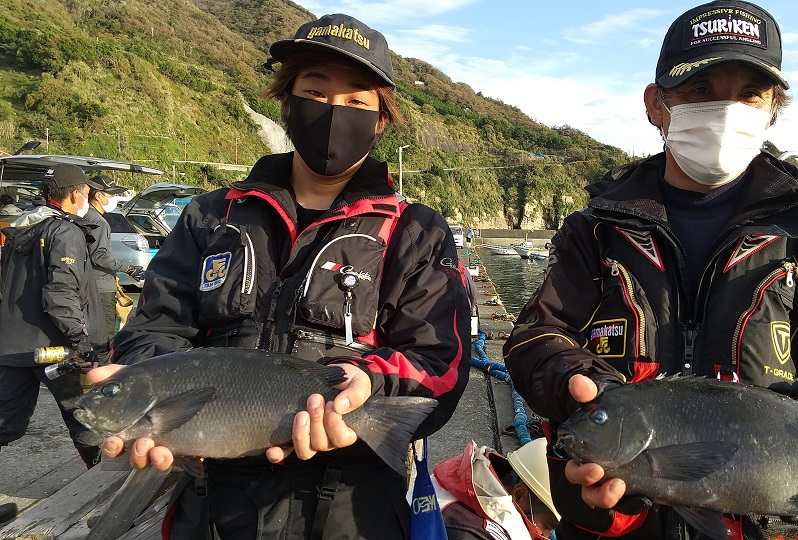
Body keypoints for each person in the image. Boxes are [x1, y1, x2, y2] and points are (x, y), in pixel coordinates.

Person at [503, 2, 798, 539]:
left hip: (775, 518)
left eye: (750, 94)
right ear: (657, 104)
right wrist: (596, 396)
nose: (726, 110)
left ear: (773, 110)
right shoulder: (595, 229)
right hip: (612, 518)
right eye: (700, 89)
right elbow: (537, 336)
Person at [89, 12, 471, 540]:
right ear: (286, 101)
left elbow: (439, 363)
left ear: (381, 120)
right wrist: (147, 392)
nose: (333, 111)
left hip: (353, 503)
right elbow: (153, 328)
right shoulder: (210, 215)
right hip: (213, 497)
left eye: (357, 101)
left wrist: (369, 384)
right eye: (315, 92)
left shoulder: (415, 230)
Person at [0, 163, 107, 471]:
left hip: (14, 348)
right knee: (88, 420)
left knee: (5, 423)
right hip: (59, 349)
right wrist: (81, 341)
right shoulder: (65, 231)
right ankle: (103, 490)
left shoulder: (20, 229)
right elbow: (61, 293)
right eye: (85, 191)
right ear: (75, 194)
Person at [428, 437, 560, 540]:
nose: (546, 535)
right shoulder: (472, 534)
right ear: (519, 495)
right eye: (547, 526)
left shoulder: (465, 475)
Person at [86, 175, 144, 338]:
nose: (114, 198)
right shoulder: (98, 222)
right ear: (98, 195)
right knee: (105, 335)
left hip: (91, 285)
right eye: (111, 194)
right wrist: (129, 268)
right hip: (101, 287)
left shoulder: (86, 217)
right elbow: (99, 256)